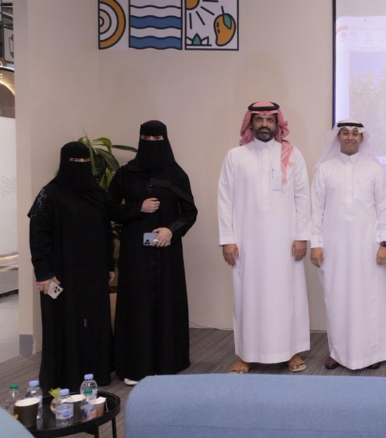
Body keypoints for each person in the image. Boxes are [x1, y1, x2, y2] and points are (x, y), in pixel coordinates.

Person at [218, 103, 311, 375]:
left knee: (288, 295)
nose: (264, 125)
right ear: (250, 123)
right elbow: (225, 199)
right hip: (247, 242)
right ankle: (246, 354)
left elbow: (302, 198)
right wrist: (227, 239)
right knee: (248, 296)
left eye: (269, 120)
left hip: (285, 242)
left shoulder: (292, 155)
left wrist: (301, 236)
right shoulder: (235, 156)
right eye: (259, 119)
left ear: (277, 123)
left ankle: (291, 350)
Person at [109, 121, 197, 386]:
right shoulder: (126, 174)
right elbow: (110, 209)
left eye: (157, 139)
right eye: (147, 139)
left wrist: (171, 230)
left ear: (165, 140)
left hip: (167, 251)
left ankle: (168, 362)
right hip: (135, 251)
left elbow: (189, 212)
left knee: (167, 301)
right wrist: (138, 207)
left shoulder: (176, 174)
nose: (152, 144)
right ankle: (136, 365)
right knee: (137, 304)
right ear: (140, 140)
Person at [29, 142, 114, 392]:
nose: (81, 167)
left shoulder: (97, 194)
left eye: (85, 162)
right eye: (75, 162)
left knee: (94, 319)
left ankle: (96, 372)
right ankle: (63, 376)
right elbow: (37, 235)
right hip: (61, 272)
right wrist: (43, 272)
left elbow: (106, 232)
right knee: (64, 320)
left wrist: (109, 264)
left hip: (94, 270)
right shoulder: (49, 194)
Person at [310, 120, 386, 371]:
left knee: (370, 299)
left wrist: (384, 243)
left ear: (362, 138)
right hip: (334, 248)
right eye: (345, 133)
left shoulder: (374, 170)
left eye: (355, 133)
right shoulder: (324, 169)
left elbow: (384, 209)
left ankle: (372, 353)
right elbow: (315, 210)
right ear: (338, 137)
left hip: (368, 247)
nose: (350, 137)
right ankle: (338, 352)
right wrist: (316, 244)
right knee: (336, 298)